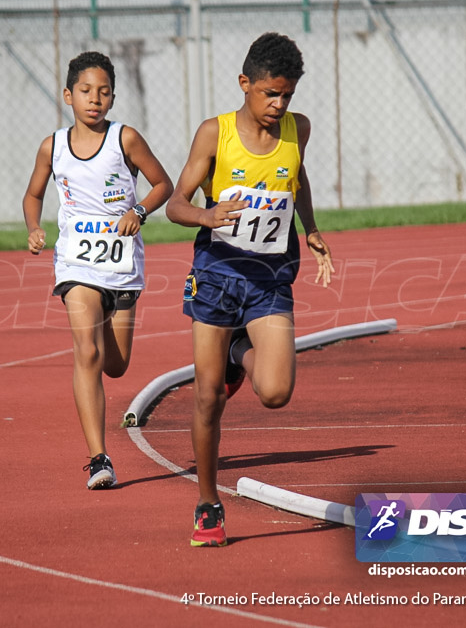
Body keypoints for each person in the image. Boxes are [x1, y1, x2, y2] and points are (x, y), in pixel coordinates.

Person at [165, 32, 335, 546]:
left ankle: (242, 348)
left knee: (276, 393)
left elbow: (296, 178)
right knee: (206, 398)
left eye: (287, 95)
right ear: (245, 84)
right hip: (217, 274)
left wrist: (311, 229)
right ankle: (208, 504)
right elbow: (175, 204)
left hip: (269, 277)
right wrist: (206, 213)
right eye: (269, 94)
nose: (278, 105)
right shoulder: (214, 134)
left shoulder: (296, 129)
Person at [23, 51, 173, 490]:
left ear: (113, 98)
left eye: (104, 92)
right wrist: (34, 228)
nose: (95, 100)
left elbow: (162, 183)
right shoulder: (52, 147)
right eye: (86, 92)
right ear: (68, 95)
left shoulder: (125, 139)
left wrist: (140, 211)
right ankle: (98, 458)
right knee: (85, 351)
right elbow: (33, 195)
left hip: (122, 266)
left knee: (116, 364)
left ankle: (108, 333)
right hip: (76, 265)